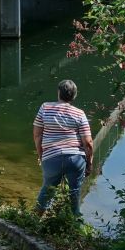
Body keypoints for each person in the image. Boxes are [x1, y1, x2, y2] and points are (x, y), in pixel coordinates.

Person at [33, 79, 94, 218]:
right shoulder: (80, 114)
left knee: (47, 190)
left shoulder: (45, 108)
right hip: (75, 159)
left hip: (51, 157)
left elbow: (37, 135)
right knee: (75, 192)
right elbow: (88, 143)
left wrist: (41, 156)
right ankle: (74, 223)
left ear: (58, 92)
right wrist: (89, 164)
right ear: (74, 96)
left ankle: (34, 222)